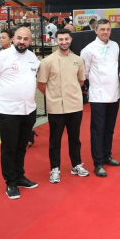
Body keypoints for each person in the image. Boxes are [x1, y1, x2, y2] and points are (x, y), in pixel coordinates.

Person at [0, 27, 41, 200]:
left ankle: (19, 176)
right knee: (9, 147)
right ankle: (11, 182)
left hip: (28, 109)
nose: (22, 41)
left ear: (30, 41)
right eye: (19, 38)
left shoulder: (32, 57)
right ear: (13, 39)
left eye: (26, 39)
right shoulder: (1, 57)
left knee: (21, 146)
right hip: (8, 111)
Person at [36, 28, 89, 183]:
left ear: (71, 40)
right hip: (55, 107)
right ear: (56, 41)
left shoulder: (78, 60)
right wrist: (53, 96)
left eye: (66, 39)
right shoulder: (47, 61)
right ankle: (55, 169)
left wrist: (71, 93)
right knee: (55, 140)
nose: (64, 42)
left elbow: (81, 81)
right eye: (61, 39)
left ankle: (76, 165)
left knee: (75, 138)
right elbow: (41, 85)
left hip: (75, 105)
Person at [80, 19, 120, 178]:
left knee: (109, 129)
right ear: (96, 30)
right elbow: (84, 72)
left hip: (114, 94)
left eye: (108, 29)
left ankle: (107, 155)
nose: (105, 32)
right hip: (98, 95)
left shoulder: (115, 45)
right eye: (102, 29)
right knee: (98, 130)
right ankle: (98, 163)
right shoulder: (88, 49)